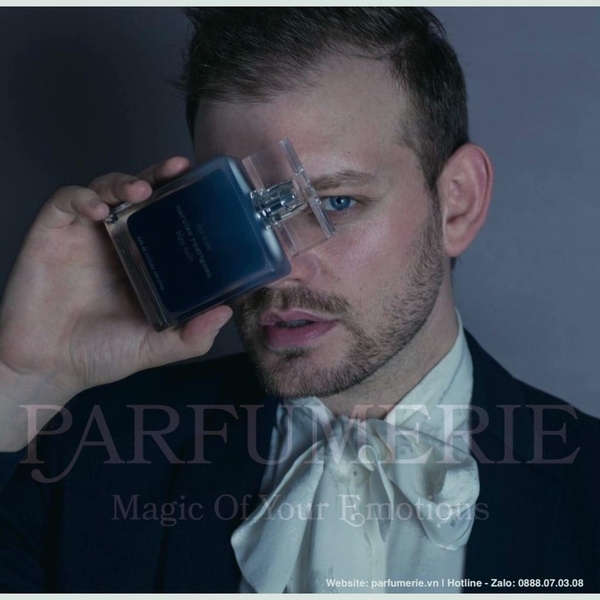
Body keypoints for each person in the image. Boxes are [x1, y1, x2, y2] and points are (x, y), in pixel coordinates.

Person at [0, 7, 598, 594]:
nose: (279, 266)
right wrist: (19, 382)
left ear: (458, 204)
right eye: (235, 213)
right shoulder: (86, 456)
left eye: (336, 202)